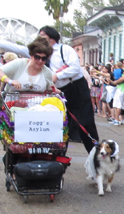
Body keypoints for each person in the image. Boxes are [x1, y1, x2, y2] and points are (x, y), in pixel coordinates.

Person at [39, 25, 99, 154]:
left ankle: (96, 157)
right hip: (58, 92)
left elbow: (75, 68)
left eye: (42, 35)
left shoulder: (64, 49)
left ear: (52, 37)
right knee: (59, 124)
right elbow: (20, 49)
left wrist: (57, 75)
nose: (39, 38)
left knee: (85, 124)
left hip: (76, 87)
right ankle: (58, 158)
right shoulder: (41, 53)